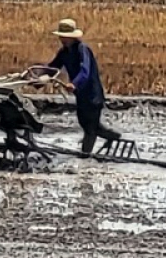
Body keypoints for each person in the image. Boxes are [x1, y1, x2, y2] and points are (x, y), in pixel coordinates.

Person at [41, 18, 123, 155]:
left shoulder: (82, 50)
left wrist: (74, 83)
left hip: (92, 95)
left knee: (90, 129)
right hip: (81, 95)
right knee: (87, 125)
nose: (63, 39)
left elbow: (85, 71)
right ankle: (113, 137)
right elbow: (53, 68)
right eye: (61, 37)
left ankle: (85, 156)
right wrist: (37, 74)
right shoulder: (64, 52)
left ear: (73, 37)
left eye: (66, 37)